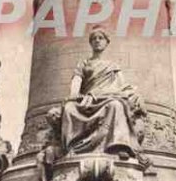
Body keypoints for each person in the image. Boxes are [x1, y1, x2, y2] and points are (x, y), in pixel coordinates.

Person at [61, 27, 146, 159]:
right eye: (94, 38)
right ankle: (71, 147)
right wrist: (74, 95)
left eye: (101, 38)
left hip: (106, 99)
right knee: (69, 108)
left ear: (106, 42)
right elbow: (76, 83)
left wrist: (134, 95)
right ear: (90, 43)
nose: (97, 41)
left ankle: (119, 146)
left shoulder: (112, 66)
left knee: (116, 105)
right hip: (88, 101)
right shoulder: (84, 63)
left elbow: (123, 86)